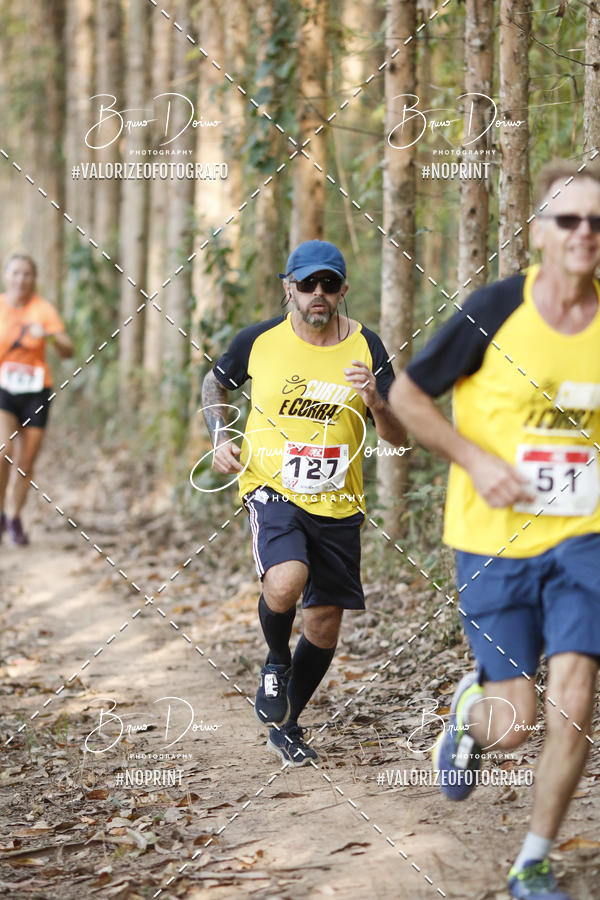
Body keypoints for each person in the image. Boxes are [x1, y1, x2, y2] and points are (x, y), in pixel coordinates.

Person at [388, 160, 600, 900]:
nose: (585, 234)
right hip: (493, 538)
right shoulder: (495, 308)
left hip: (585, 537)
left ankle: (532, 862)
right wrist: (474, 459)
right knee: (513, 723)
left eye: (597, 223)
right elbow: (407, 394)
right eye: (569, 219)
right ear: (540, 231)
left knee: (576, 695)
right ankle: (468, 717)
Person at [201, 239, 404, 766]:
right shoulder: (258, 341)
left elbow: (398, 437)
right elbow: (213, 383)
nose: (319, 293)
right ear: (288, 287)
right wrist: (220, 435)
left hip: (338, 500)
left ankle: (287, 722)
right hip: (272, 486)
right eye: (308, 283)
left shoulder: (368, 348)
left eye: (329, 284)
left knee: (324, 623)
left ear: (342, 291)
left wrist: (376, 401)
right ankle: (274, 659)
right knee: (286, 578)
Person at [0, 254, 73, 545]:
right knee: (3, 448)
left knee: (26, 462)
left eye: (27, 274)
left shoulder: (43, 310)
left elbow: (68, 349)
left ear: (34, 278)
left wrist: (50, 338)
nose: (21, 279)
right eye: (16, 273)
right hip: (3, 388)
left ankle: (15, 517)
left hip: (36, 392)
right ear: (6, 276)